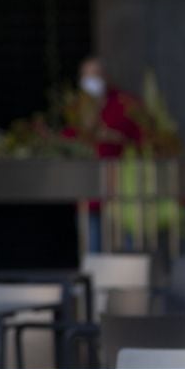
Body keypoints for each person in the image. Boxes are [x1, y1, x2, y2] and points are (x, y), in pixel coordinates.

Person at [64, 57, 145, 251]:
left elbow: (145, 138)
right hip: (89, 193)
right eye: (87, 75)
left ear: (106, 76)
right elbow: (67, 139)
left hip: (123, 192)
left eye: (96, 75)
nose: (92, 80)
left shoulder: (125, 103)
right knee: (93, 251)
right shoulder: (76, 107)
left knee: (127, 251)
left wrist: (117, 138)